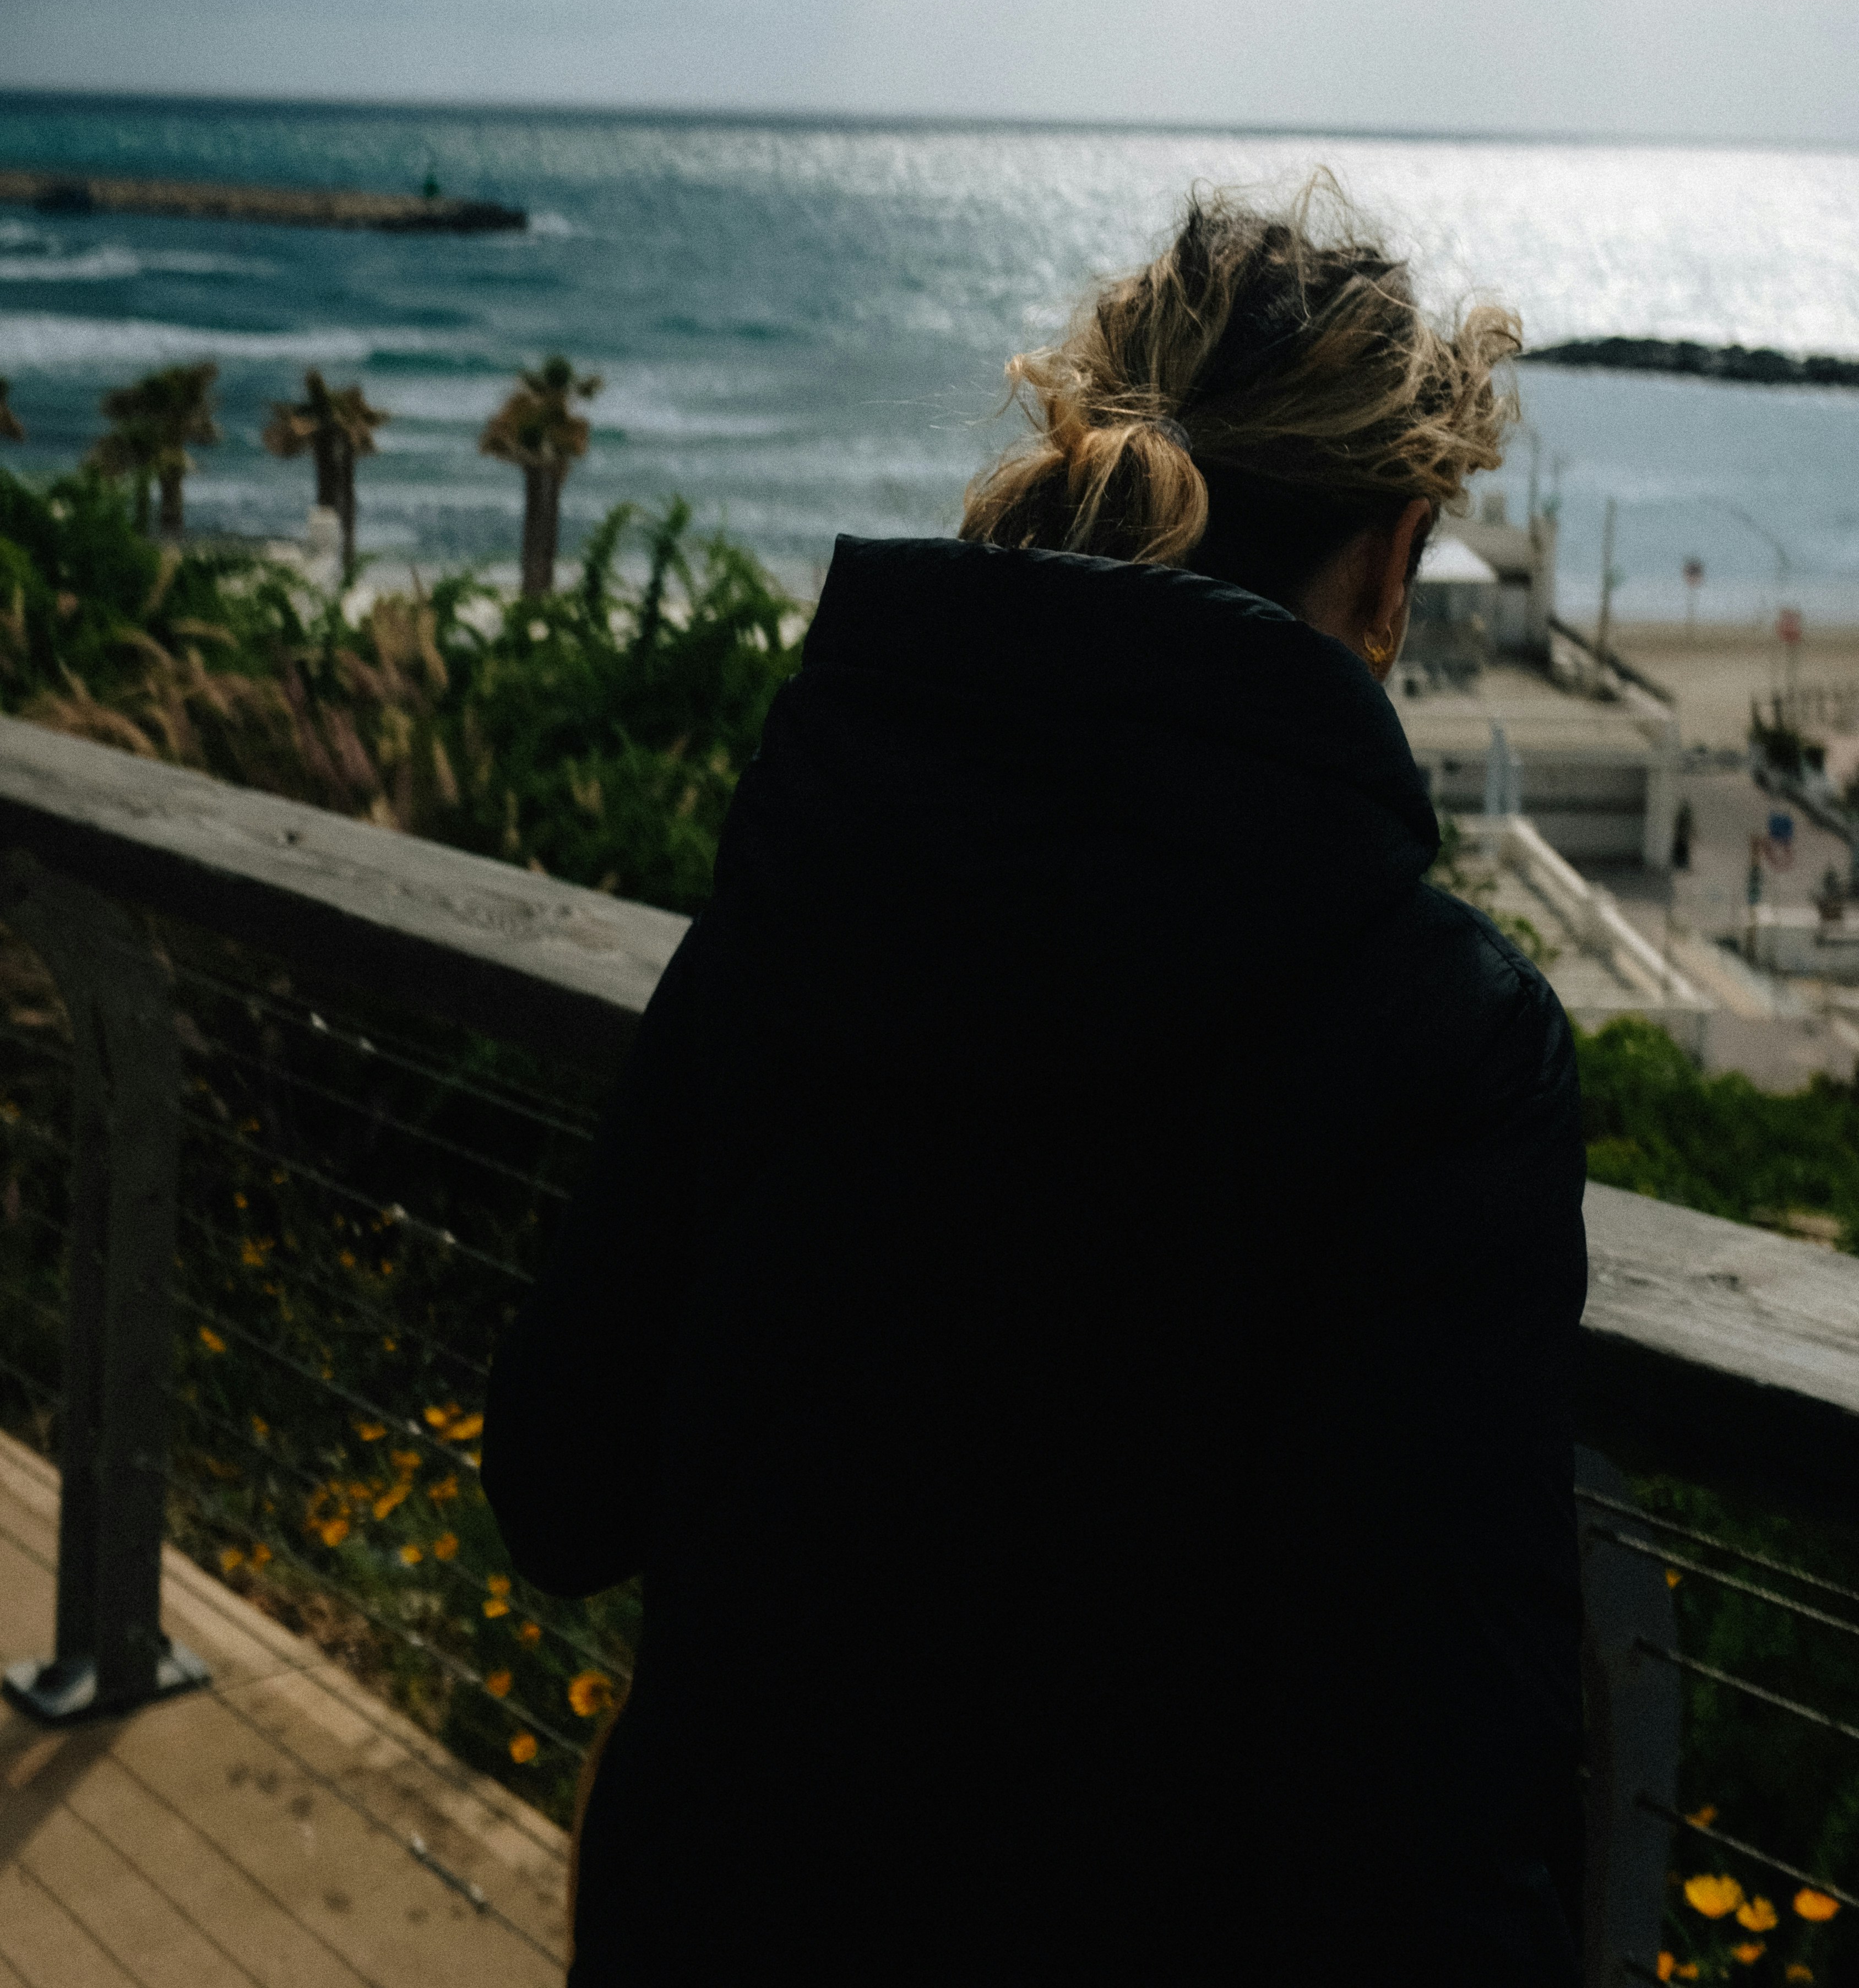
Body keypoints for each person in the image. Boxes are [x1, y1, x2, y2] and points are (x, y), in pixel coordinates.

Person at [483, 186, 1587, 1985]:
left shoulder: (820, 878)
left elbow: (558, 1478)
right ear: (1393, 561)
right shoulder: (1441, 1044)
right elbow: (1454, 1771)